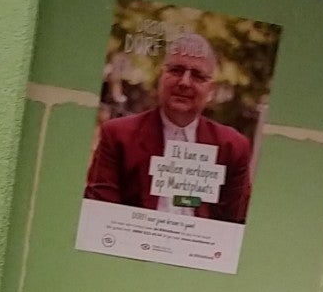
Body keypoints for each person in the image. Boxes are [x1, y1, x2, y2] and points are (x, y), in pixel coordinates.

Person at [84, 27, 254, 224]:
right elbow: (99, 213)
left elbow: (237, 224)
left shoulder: (233, 148)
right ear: (161, 77)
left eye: (198, 75)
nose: (184, 82)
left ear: (211, 90)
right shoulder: (117, 135)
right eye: (176, 70)